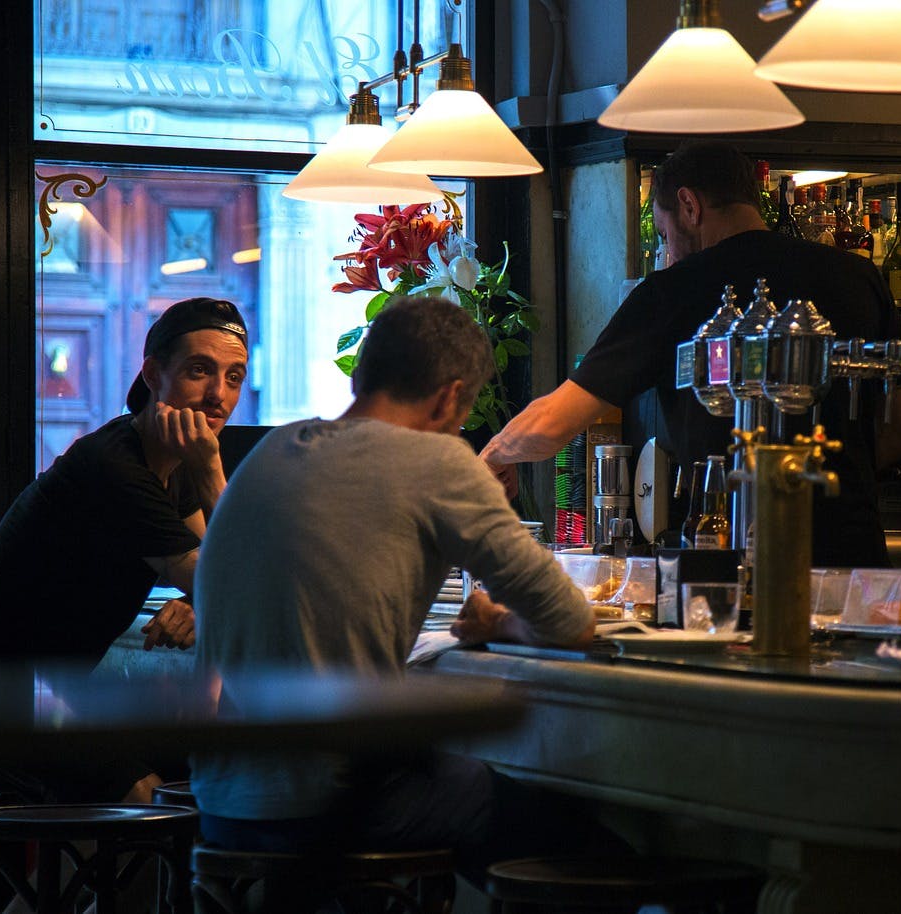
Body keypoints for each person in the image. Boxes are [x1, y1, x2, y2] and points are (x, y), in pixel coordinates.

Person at [190, 295, 626, 892]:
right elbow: (571, 620)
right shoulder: (437, 459)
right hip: (336, 804)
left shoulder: (269, 452)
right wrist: (498, 624)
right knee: (592, 856)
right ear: (449, 397)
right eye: (460, 412)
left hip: (222, 803)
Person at [480, 140, 901, 568]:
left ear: (689, 205)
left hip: (730, 562)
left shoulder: (673, 291)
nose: (667, 249)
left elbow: (557, 420)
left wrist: (496, 454)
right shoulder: (858, 276)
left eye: (664, 231)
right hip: (855, 563)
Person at [0, 295, 250, 804]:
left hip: (45, 695)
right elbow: (236, 584)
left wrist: (200, 600)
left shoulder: (170, 466)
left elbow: (226, 575)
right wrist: (213, 471)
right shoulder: (116, 468)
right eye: (200, 370)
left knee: (196, 772)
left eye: (234, 377)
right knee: (156, 800)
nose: (219, 395)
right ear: (152, 374)